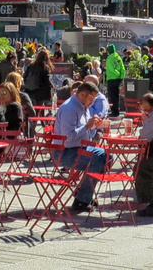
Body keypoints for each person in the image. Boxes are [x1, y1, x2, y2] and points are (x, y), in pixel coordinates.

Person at [54, 81, 109, 212]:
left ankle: (83, 194)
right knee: (101, 158)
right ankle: (82, 198)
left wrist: (94, 127)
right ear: (82, 94)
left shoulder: (84, 107)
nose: (92, 102)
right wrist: (87, 126)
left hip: (78, 149)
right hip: (65, 152)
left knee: (107, 156)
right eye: (91, 98)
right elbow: (67, 139)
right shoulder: (70, 109)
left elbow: (87, 136)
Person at [104, 45, 125, 116]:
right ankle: (117, 110)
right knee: (117, 96)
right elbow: (123, 68)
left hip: (111, 79)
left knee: (111, 96)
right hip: (118, 80)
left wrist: (117, 74)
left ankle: (114, 111)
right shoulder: (119, 57)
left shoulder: (109, 59)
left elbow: (111, 69)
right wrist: (121, 76)